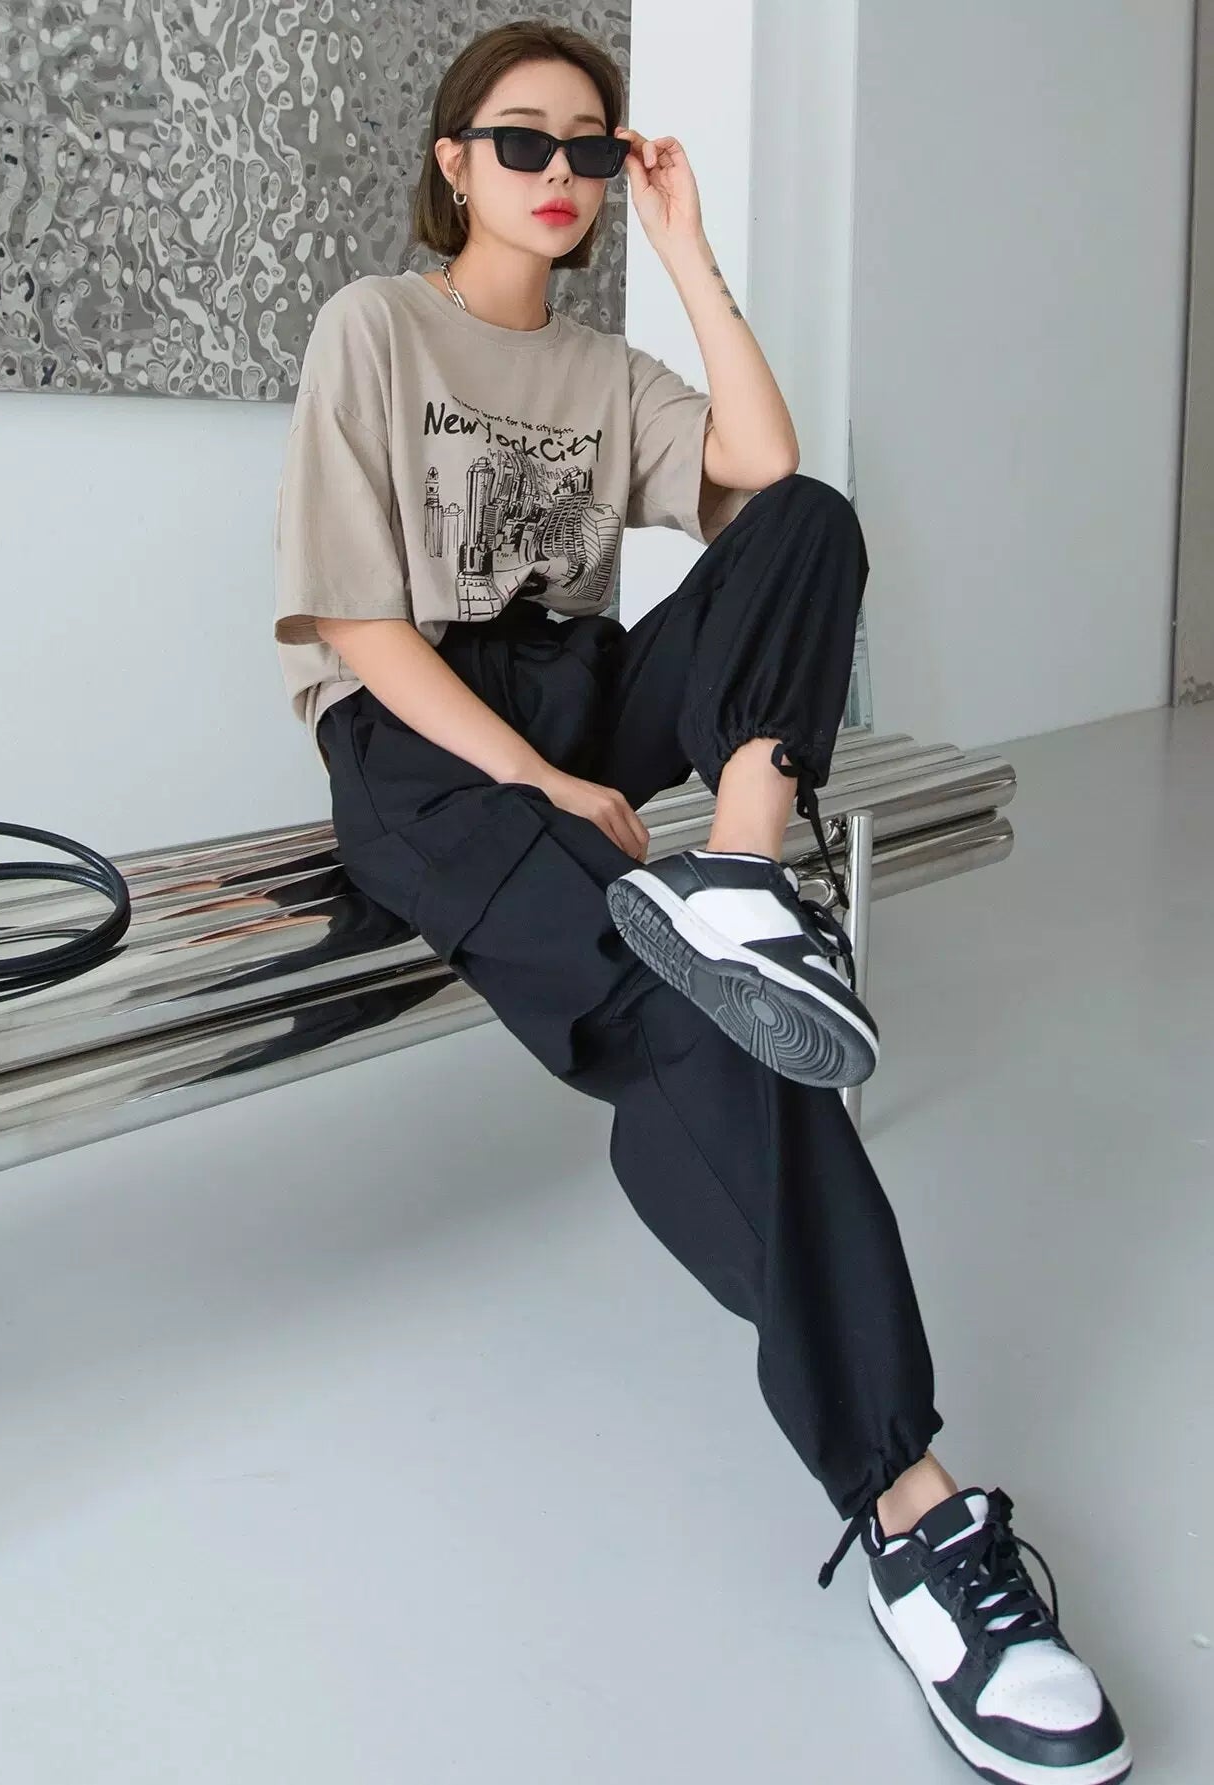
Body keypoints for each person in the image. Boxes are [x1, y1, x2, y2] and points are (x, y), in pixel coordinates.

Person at [271, 20, 1131, 1784]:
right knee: (686, 1018)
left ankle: (741, 868)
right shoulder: (375, 327)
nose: (562, 173)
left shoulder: (605, 365)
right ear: (454, 162)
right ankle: (909, 1507)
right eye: (525, 142)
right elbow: (357, 624)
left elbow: (761, 461)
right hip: (421, 738)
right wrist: (541, 786)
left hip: (576, 684)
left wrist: (685, 246)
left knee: (809, 521)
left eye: (592, 146)